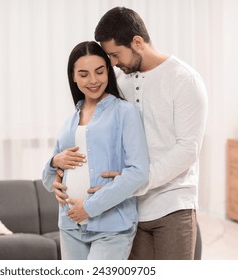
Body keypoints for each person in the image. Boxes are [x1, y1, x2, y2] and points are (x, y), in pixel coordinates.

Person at [52, 7, 208, 260]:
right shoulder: (119, 81)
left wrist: (135, 181)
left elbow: (188, 149)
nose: (112, 63)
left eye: (115, 54)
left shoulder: (184, 80)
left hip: (172, 204)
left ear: (137, 42)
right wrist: (58, 167)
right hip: (128, 209)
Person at [42, 41, 149, 260]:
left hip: (111, 227)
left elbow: (139, 171)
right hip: (70, 225)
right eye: (83, 74)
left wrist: (89, 208)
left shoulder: (125, 113)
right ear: (73, 76)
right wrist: (54, 163)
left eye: (99, 72)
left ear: (108, 71)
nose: (93, 80)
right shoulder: (69, 121)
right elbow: (47, 181)